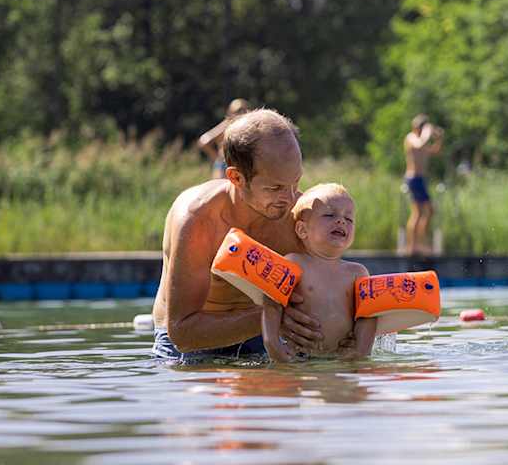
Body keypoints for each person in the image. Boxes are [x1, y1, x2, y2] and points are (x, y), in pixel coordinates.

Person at [152, 108, 323, 362]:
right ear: (236, 177)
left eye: (295, 182)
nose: (289, 199)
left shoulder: (300, 216)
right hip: (189, 343)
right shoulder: (198, 219)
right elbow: (182, 333)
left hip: (263, 332)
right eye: (275, 187)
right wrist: (269, 317)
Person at [261, 183, 378, 362]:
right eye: (330, 215)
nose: (341, 221)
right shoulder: (293, 263)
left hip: (341, 359)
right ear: (302, 229)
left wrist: (360, 352)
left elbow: (368, 317)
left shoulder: (357, 273)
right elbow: (272, 305)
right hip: (299, 357)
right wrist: (273, 344)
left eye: (349, 219)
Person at [403, 114, 443, 255]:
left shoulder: (422, 140)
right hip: (414, 178)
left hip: (420, 180)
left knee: (427, 212)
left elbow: (436, 151)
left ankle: (419, 243)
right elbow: (419, 144)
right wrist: (428, 131)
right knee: (418, 213)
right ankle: (413, 246)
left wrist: (438, 138)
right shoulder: (411, 137)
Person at [198, 98, 251, 178]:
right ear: (230, 113)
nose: (242, 114)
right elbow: (204, 142)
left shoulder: (248, 127)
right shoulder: (227, 125)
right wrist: (217, 159)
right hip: (224, 166)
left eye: (245, 110)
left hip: (241, 167)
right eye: (238, 111)